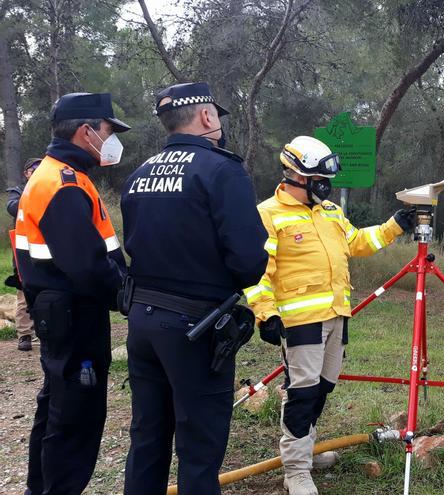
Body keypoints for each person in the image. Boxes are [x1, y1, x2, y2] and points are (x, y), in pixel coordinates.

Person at [246, 135, 416, 495]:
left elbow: (357, 243)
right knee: (302, 393)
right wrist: (265, 313)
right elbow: (257, 272)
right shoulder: (268, 215)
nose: (326, 186)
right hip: (300, 323)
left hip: (338, 315)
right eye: (318, 180)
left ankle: (305, 449)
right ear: (295, 176)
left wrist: (394, 226)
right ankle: (295, 470)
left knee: (323, 388)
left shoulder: (330, 212)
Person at [121, 82, 268, 495]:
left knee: (147, 437)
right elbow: (249, 261)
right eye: (216, 116)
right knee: (200, 448)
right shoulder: (223, 170)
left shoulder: (138, 175)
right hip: (195, 328)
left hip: (143, 322)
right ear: (206, 117)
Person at [16, 92, 129, 495]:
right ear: (86, 132)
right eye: (108, 130)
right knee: (75, 420)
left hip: (59, 311)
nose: (112, 138)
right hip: (74, 314)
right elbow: (87, 265)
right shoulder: (61, 184)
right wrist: (125, 295)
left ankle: (40, 488)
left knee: (56, 410)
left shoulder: (57, 174)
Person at [6, 157, 41, 351]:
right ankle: (25, 335)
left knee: (45, 291)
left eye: (40, 168)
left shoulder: (50, 187)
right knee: (23, 294)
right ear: (26, 173)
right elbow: (12, 207)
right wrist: (33, 194)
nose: (37, 171)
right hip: (23, 251)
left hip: (46, 250)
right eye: (33, 169)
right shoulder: (17, 191)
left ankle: (45, 330)